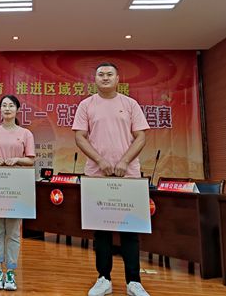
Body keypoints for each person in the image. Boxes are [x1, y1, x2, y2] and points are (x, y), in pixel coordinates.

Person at [72, 62, 151, 296]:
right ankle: (103, 278)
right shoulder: (86, 105)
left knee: (130, 230)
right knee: (101, 231)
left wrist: (124, 161)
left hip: (129, 175)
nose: (105, 77)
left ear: (118, 79)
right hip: (97, 175)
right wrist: (100, 160)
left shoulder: (130, 104)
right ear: (95, 79)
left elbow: (140, 137)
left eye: (109, 74)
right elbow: (80, 137)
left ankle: (133, 281)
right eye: (100, 74)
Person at [0, 95, 35, 291]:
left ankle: (10, 272)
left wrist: (17, 160)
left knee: (13, 232)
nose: (7, 108)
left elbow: (30, 159)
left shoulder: (25, 133)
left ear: (17, 109)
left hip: (16, 186)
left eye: (11, 105)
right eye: (4, 105)